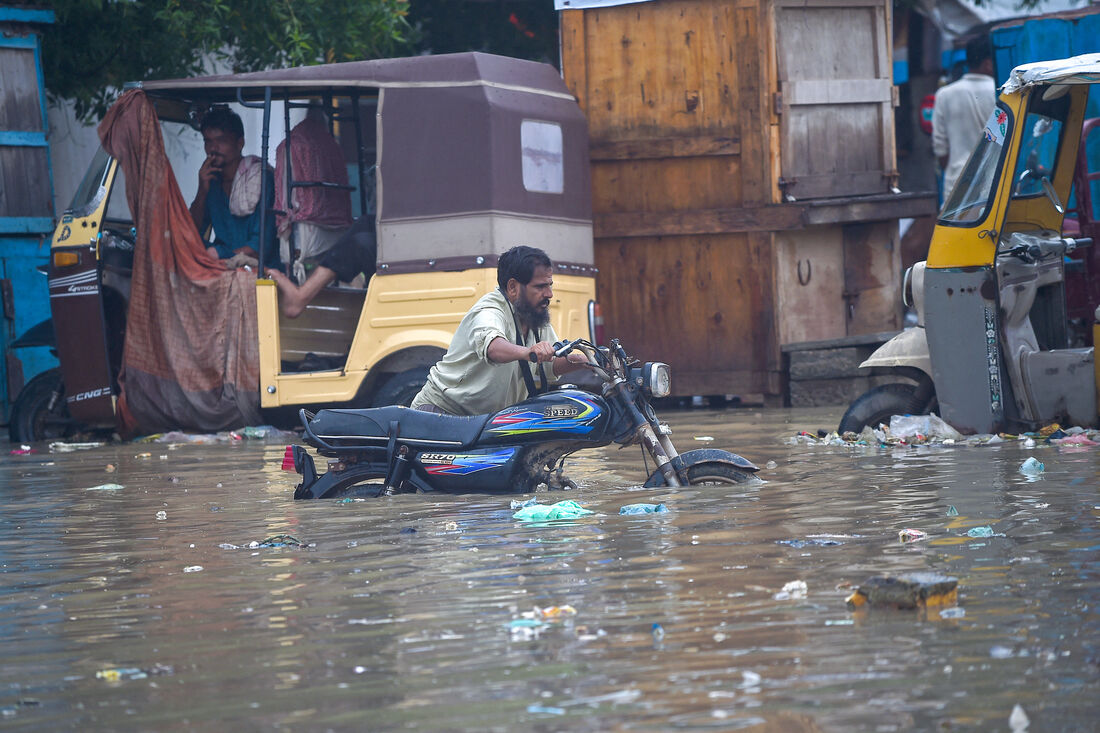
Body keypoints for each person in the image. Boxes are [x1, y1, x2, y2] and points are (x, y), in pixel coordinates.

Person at [409, 245, 588, 416]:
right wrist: (528, 352)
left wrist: (587, 361)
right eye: (540, 286)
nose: (549, 294)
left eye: (550, 285)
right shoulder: (489, 311)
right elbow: (493, 347)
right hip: (443, 413)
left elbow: (548, 365)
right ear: (512, 287)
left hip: (486, 421)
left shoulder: (533, 314)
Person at [189, 106, 278, 266]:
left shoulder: (260, 178)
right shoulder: (211, 181)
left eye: (221, 141)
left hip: (259, 269)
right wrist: (201, 190)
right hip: (218, 261)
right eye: (208, 142)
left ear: (240, 143)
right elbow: (192, 232)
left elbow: (260, 246)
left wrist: (219, 257)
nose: (213, 149)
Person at [932, 36, 997, 197]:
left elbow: (941, 150)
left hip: (955, 187)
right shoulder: (1000, 93)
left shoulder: (944, 94)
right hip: (993, 187)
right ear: (988, 63)